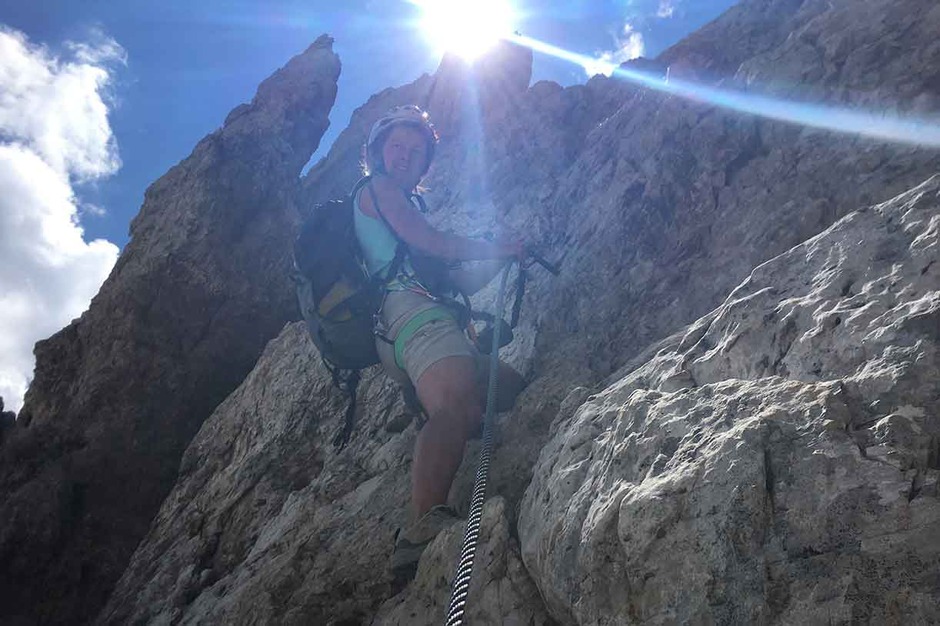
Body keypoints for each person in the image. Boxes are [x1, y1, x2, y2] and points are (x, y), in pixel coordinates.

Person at [353, 105, 527, 575]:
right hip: (415, 318)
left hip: (418, 324)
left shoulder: (397, 210)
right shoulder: (380, 189)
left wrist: (501, 259)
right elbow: (433, 242)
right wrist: (493, 246)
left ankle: (448, 416)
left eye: (415, 151)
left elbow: (453, 280)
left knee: (507, 388)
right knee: (450, 405)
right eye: (397, 146)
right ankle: (420, 527)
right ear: (378, 153)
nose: (405, 156)